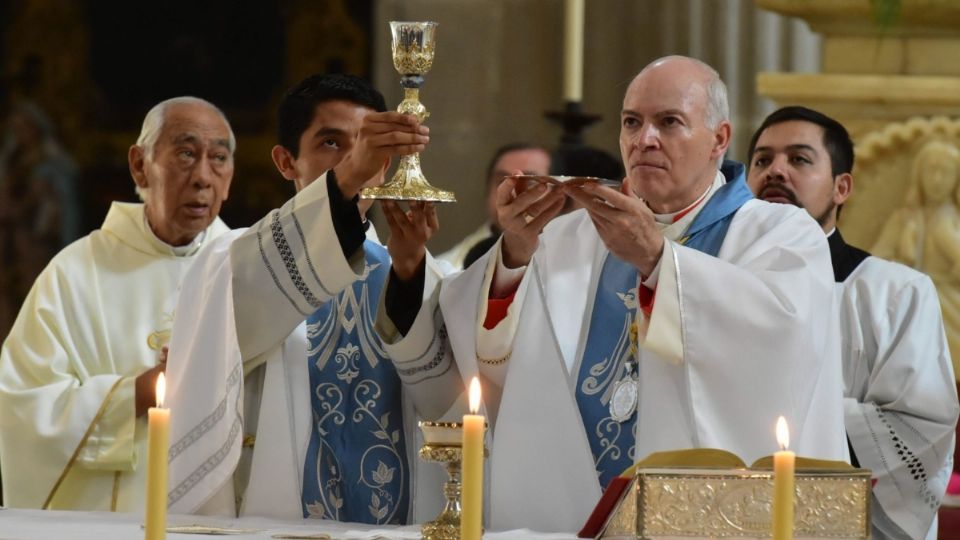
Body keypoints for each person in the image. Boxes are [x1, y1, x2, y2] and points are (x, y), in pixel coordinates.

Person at [377, 56, 847, 532]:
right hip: (571, 509)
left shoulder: (780, 234)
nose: (645, 139)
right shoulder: (571, 236)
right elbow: (485, 353)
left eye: (669, 122)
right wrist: (515, 253)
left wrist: (658, 262)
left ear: (719, 140)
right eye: (632, 122)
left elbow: (783, 346)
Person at [165, 73, 445, 524]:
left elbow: (445, 400)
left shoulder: (418, 270)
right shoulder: (228, 259)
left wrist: (411, 275)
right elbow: (249, 294)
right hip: (276, 517)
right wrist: (350, 176)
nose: (358, 159)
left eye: (369, 146)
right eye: (332, 143)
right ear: (285, 161)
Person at [0, 96, 234, 511]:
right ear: (140, 164)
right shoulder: (75, 274)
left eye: (218, 158)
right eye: (185, 152)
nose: (202, 176)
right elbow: (21, 407)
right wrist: (139, 393)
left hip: (219, 516)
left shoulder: (246, 268)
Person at [747, 106, 959, 540]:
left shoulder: (894, 292)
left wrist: (794, 414)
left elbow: (922, 429)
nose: (776, 171)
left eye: (799, 159)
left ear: (842, 187)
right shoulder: (713, 282)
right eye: (763, 160)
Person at [0, 101, 80, 344]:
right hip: (11, 233)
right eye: (16, 128)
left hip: (38, 235)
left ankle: (40, 344)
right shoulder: (12, 160)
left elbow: (58, 200)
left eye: (24, 127)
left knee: (37, 289)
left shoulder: (52, 160)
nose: (21, 133)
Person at [438, 143, 550, 269]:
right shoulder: (448, 272)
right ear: (487, 192)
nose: (512, 192)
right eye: (503, 181)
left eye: (529, 183)